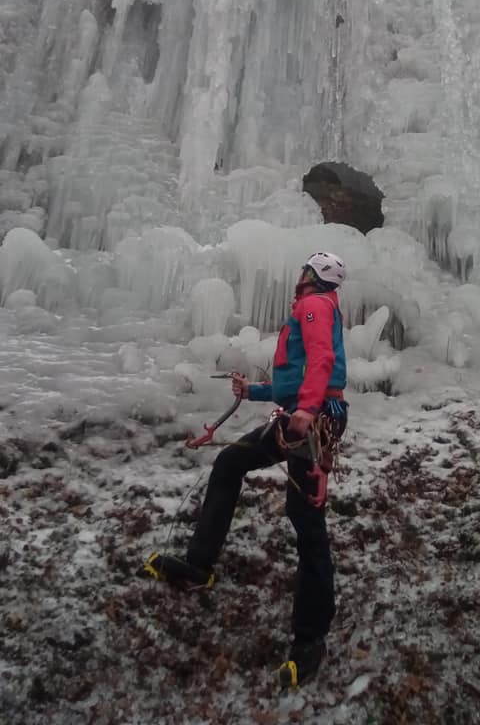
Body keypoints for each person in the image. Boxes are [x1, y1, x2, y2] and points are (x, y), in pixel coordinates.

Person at [145, 251, 348, 687]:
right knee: (231, 461)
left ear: (313, 275)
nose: (298, 275)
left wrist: (307, 410)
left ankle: (311, 636)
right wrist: (253, 391)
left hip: (310, 420)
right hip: (299, 414)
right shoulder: (312, 308)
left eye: (304, 270)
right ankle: (199, 566)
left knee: (306, 519)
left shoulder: (314, 305)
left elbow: (322, 362)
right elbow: (294, 379)